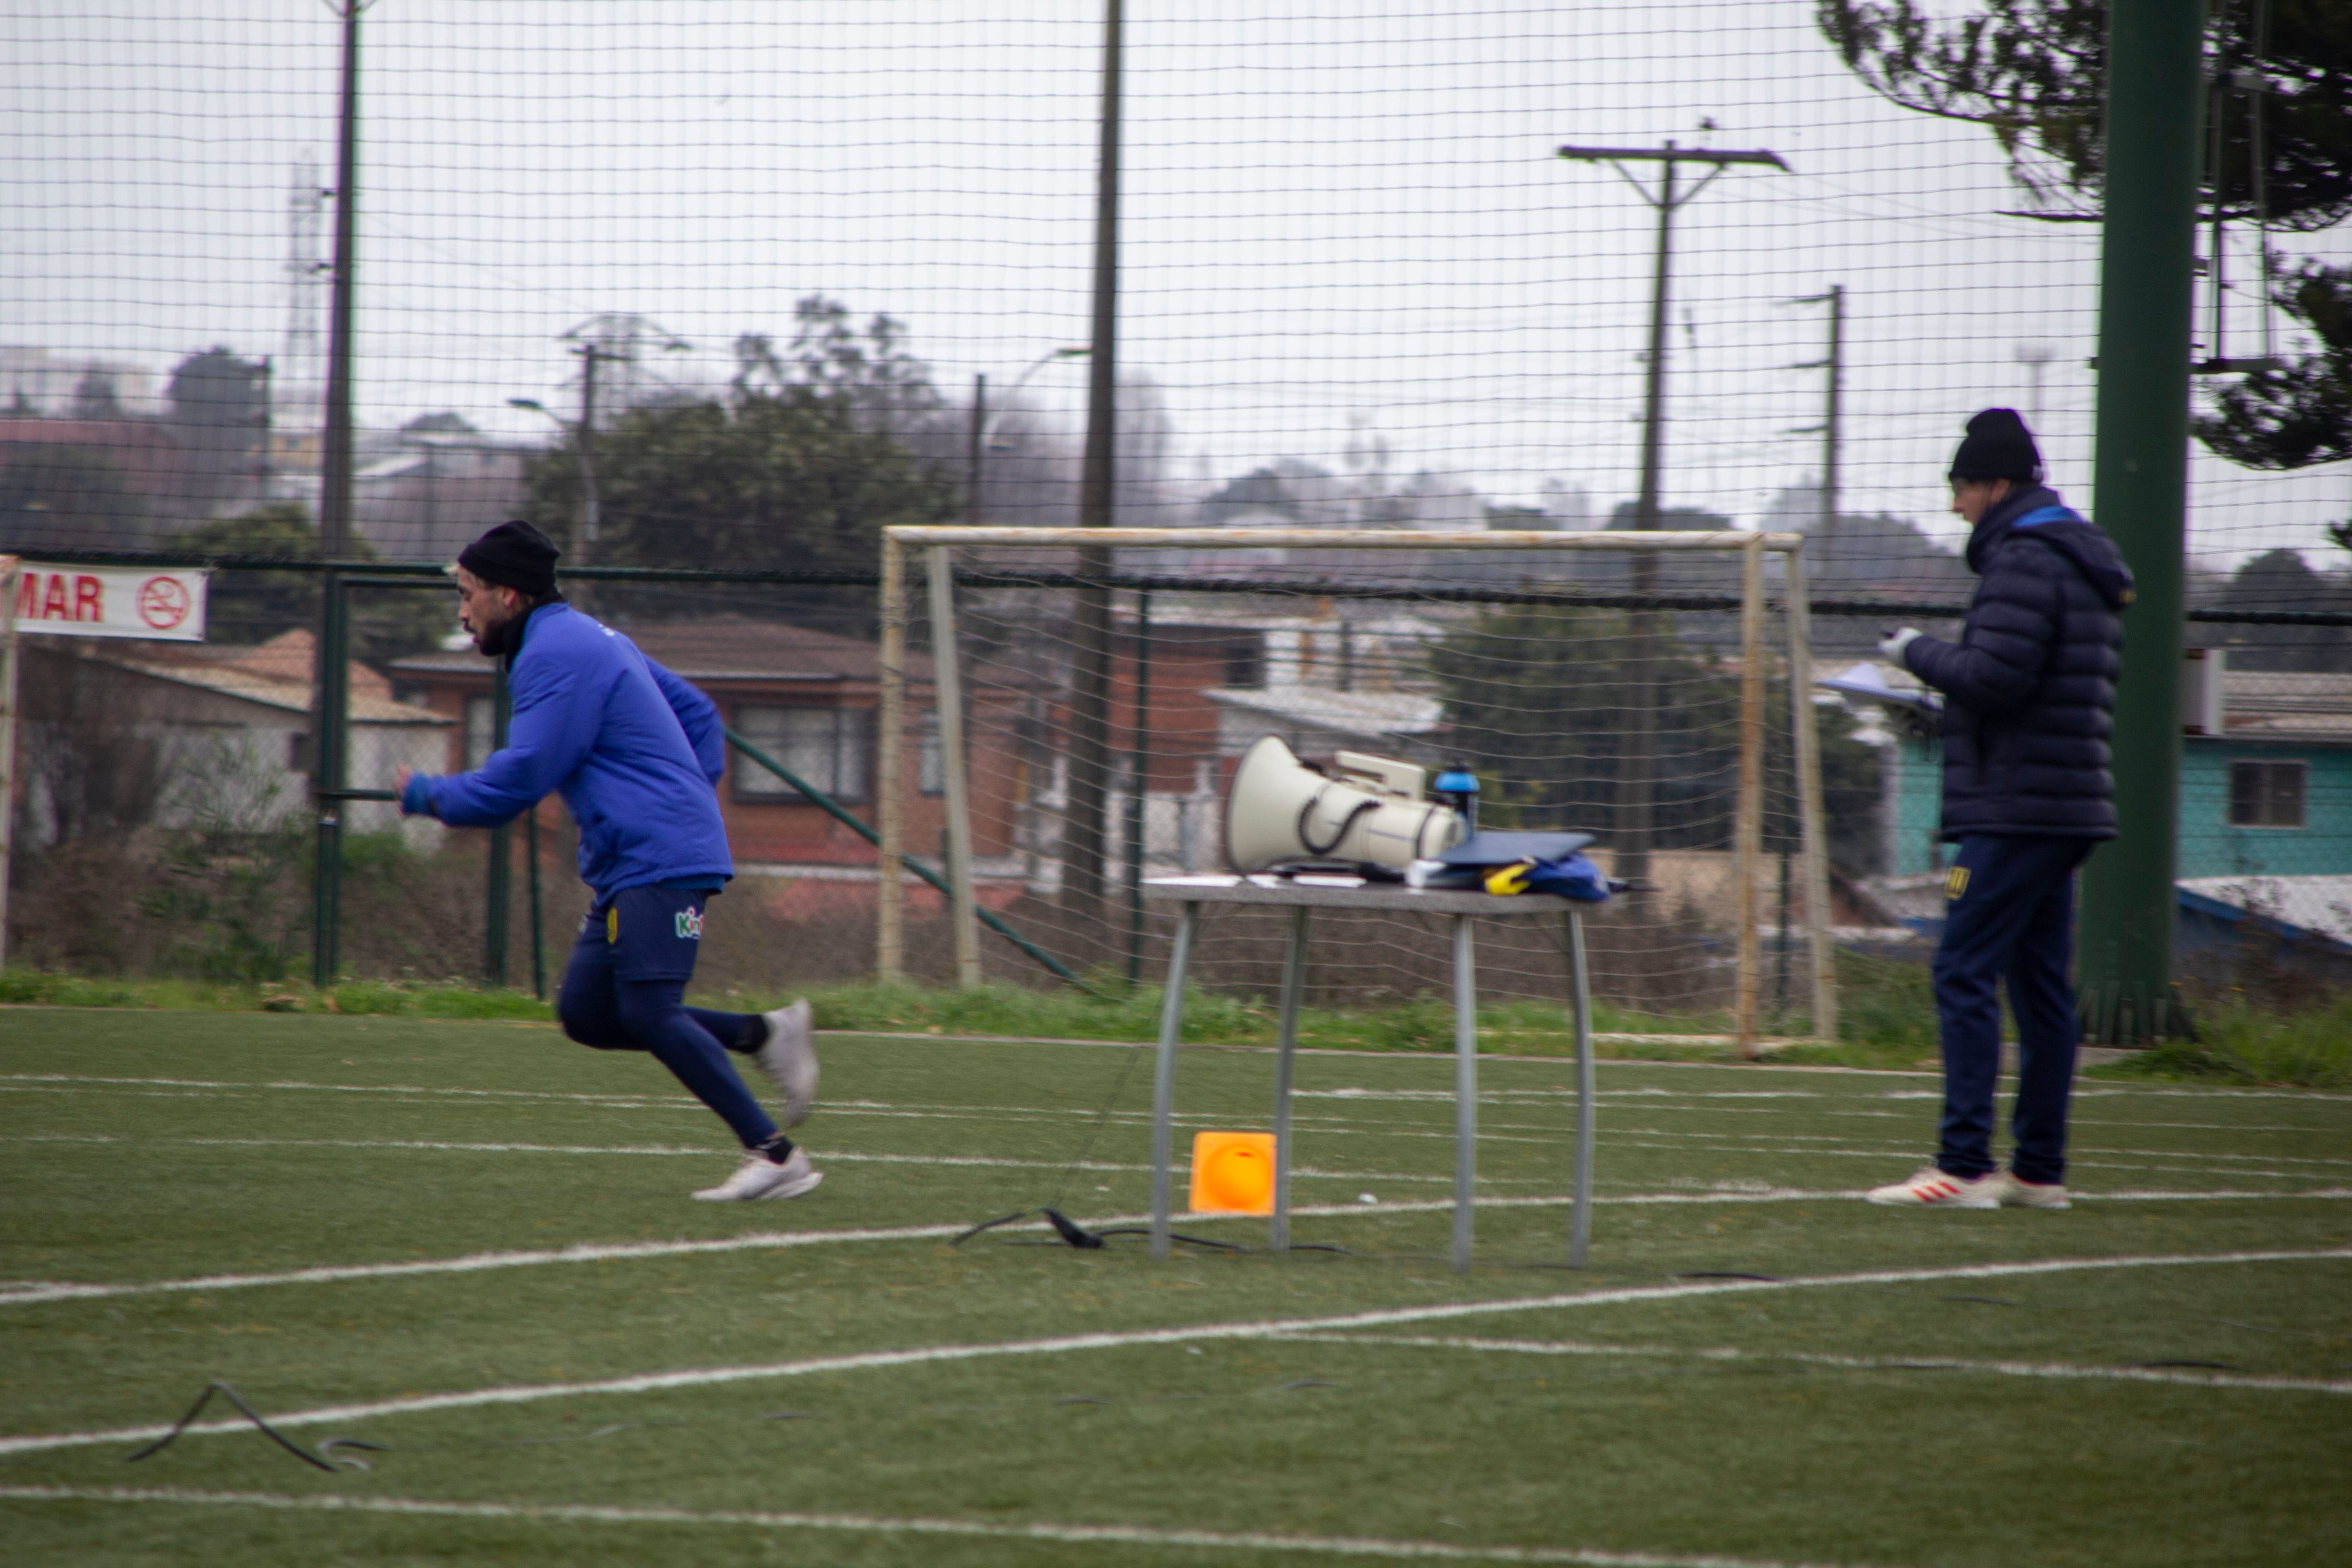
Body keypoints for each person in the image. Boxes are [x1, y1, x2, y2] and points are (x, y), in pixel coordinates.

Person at [396, 520, 823, 1202]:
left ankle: (776, 1156)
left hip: (659, 855)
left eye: (468, 592)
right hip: (641, 854)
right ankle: (764, 1033)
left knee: (652, 1009)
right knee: (591, 1013)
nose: (461, 608)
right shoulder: (588, 635)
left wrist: (427, 793)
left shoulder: (553, 653)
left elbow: (521, 778)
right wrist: (679, 795)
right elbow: (700, 715)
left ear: (508, 596)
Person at [1867, 409, 2134, 1211]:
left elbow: (1997, 678)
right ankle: (2038, 1171)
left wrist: (1910, 650)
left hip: (2017, 806)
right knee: (2041, 988)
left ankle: (1964, 1166)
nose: (1956, 508)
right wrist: (1940, 712)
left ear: (1998, 485)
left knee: (1961, 969)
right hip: (2061, 801)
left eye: (1962, 490)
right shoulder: (2076, 561)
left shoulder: (2024, 560)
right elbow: (2029, 689)